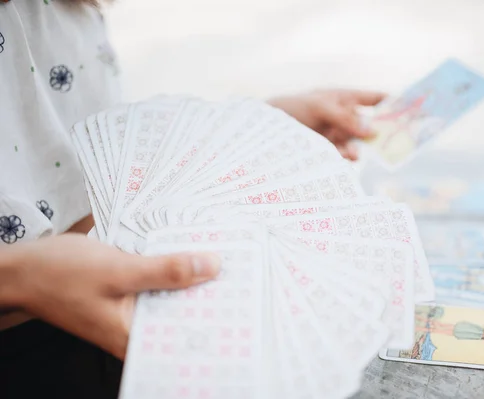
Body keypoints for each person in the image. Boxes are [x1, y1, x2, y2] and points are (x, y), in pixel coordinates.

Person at [0, 1, 384, 398]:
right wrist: (17, 279)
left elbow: (91, 151)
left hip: (130, 300)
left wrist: (249, 130)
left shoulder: (65, 11)